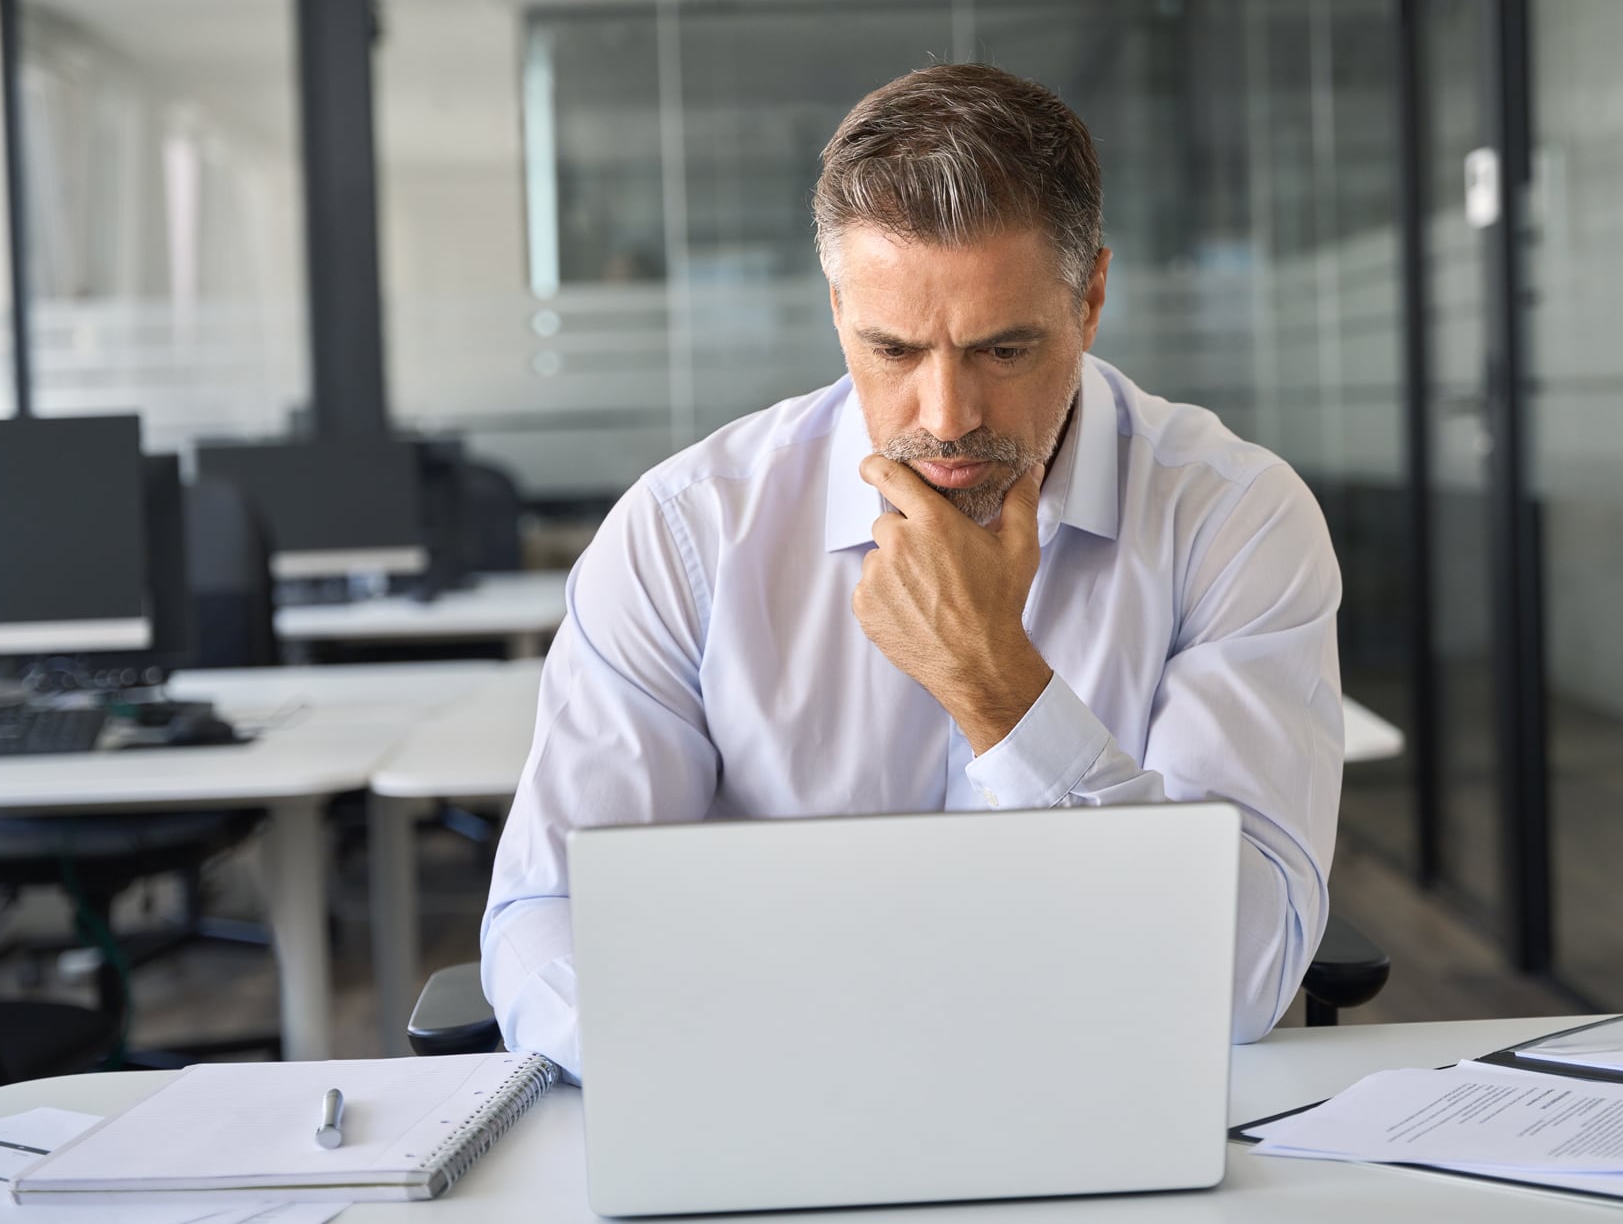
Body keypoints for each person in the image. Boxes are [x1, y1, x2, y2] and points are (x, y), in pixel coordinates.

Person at [482, 63, 1343, 1081]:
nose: (946, 418)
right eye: (891, 349)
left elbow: (1240, 977)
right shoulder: (686, 533)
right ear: (836, 308)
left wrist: (997, 686)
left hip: (1105, 1083)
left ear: (1090, 299)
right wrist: (730, 1076)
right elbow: (546, 914)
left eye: (1003, 351)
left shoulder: (1234, 519)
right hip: (770, 1084)